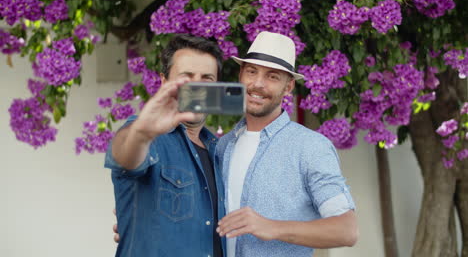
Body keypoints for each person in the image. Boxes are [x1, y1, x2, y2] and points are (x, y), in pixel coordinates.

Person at [215, 31, 359, 257]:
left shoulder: (311, 148)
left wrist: (272, 227)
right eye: (252, 71)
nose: (258, 84)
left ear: (289, 86)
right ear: (241, 75)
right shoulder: (222, 146)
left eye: (272, 76)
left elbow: (346, 230)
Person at [105, 34, 225, 257]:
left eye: (206, 79)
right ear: (164, 82)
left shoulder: (220, 151)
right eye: (186, 78)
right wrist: (142, 133)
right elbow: (124, 155)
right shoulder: (147, 135)